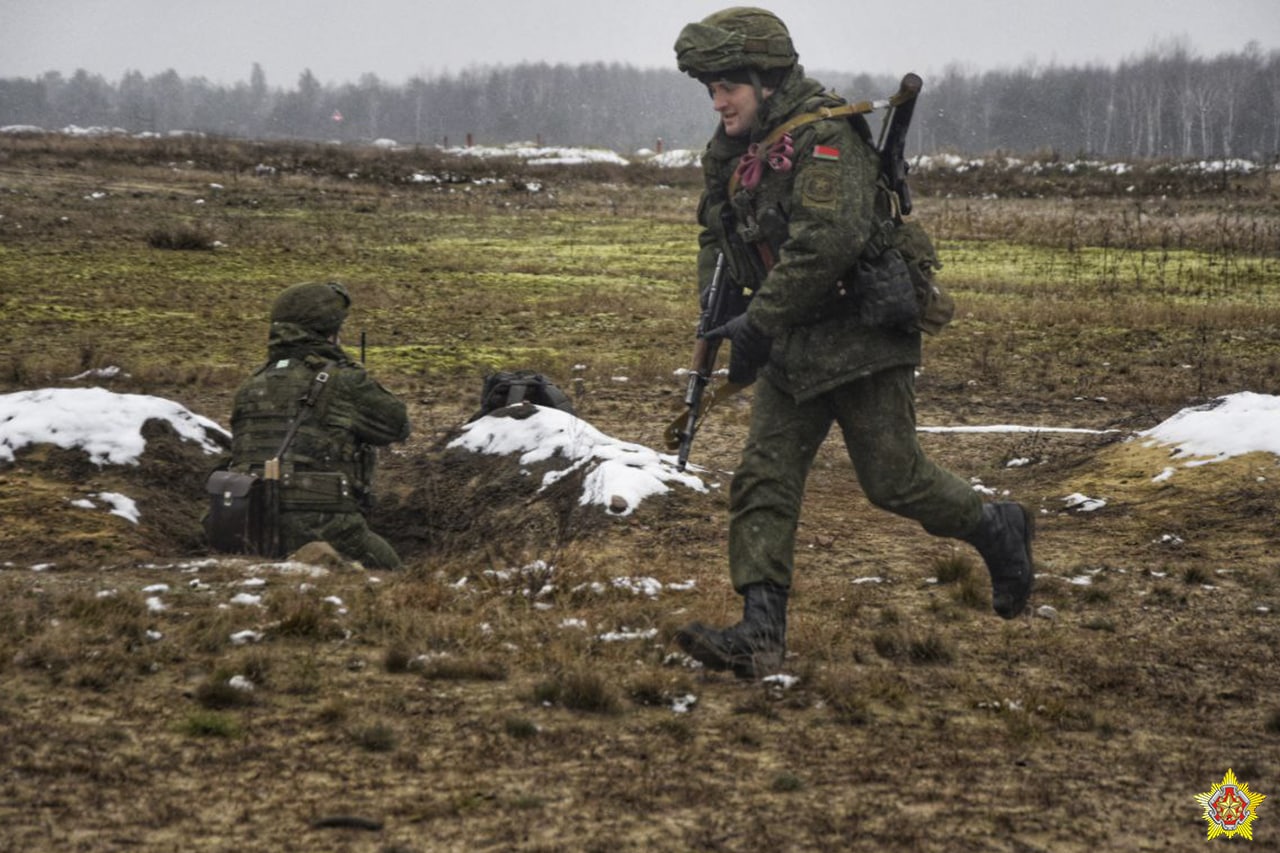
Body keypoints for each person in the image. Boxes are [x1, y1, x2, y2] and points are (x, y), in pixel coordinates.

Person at [671, 7, 1034, 678]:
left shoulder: (825, 141)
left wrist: (758, 322)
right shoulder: (732, 151)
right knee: (764, 479)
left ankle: (997, 526)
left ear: (768, 80)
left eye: (729, 86)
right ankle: (760, 634)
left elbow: (826, 245)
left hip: (861, 337)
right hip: (793, 346)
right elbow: (713, 234)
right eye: (710, 88)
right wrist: (717, 307)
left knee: (894, 481)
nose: (718, 100)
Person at [227, 281, 410, 568]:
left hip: (246, 520)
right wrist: (350, 369)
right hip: (322, 524)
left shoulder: (252, 383)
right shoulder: (341, 381)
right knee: (394, 576)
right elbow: (397, 426)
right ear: (329, 330)